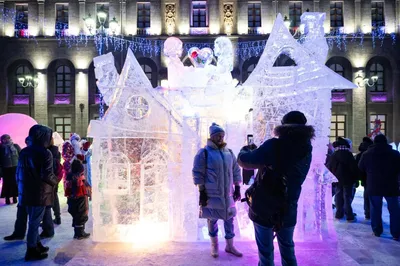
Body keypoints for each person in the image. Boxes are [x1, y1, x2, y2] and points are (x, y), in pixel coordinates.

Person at [237, 111, 314, 266]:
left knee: (265, 253)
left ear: (283, 127)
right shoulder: (307, 150)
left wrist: (246, 149)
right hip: (288, 207)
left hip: (264, 207)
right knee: (288, 251)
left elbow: (245, 161)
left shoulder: (274, 145)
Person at [192, 123, 242, 258]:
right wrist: (201, 190)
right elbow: (198, 172)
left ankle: (230, 245)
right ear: (212, 136)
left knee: (229, 219)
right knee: (212, 220)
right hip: (212, 194)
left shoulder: (229, 153)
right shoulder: (204, 153)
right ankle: (214, 245)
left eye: (222, 135)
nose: (220, 138)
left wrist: (237, 186)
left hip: (228, 194)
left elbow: (235, 170)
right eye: (218, 135)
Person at [17, 125, 58, 261]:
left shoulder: (24, 152)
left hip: (27, 191)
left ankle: (36, 244)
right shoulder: (45, 153)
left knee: (33, 220)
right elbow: (47, 174)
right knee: (34, 222)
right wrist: (56, 180)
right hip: (39, 193)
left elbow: (19, 173)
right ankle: (32, 249)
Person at [358, 134, 400, 240]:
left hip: (373, 185)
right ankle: (396, 233)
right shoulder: (395, 154)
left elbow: (360, 168)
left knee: (375, 209)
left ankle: (377, 231)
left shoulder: (367, 154)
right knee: (394, 210)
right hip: (391, 186)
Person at [3, 137, 31, 241]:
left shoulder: (19, 149)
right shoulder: (3, 148)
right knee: (22, 211)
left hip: (29, 185)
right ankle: (20, 233)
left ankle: (34, 242)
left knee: (32, 216)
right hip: (10, 172)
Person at [327, 137, 359, 222]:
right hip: (348, 180)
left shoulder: (334, 154)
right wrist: (356, 177)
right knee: (347, 197)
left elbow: (330, 167)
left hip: (337, 180)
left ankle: (339, 213)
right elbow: (353, 168)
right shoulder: (348, 155)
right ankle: (349, 215)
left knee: (338, 196)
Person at [64, 159, 90, 240]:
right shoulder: (79, 177)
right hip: (80, 199)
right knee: (81, 216)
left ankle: (76, 233)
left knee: (75, 215)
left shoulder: (69, 175)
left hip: (71, 199)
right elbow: (82, 189)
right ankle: (80, 234)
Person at [355, 137, 373, 220]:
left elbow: (358, 167)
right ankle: (372, 212)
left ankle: (367, 213)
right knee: (374, 196)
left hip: (365, 178)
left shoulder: (359, 155)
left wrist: (359, 179)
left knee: (366, 195)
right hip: (373, 177)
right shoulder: (372, 152)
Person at [0, 134, 21, 205]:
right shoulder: (1, 148)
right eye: (5, 138)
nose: (7, 139)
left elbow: (20, 155)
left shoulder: (15, 146)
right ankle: (7, 197)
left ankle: (15, 196)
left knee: (15, 182)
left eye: (8, 138)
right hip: (5, 168)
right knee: (6, 183)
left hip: (15, 167)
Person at [48, 138, 63, 225]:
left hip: (48, 178)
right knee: (54, 197)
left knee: (46, 199)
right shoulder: (56, 150)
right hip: (55, 177)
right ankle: (57, 217)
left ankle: (48, 220)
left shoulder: (46, 151)